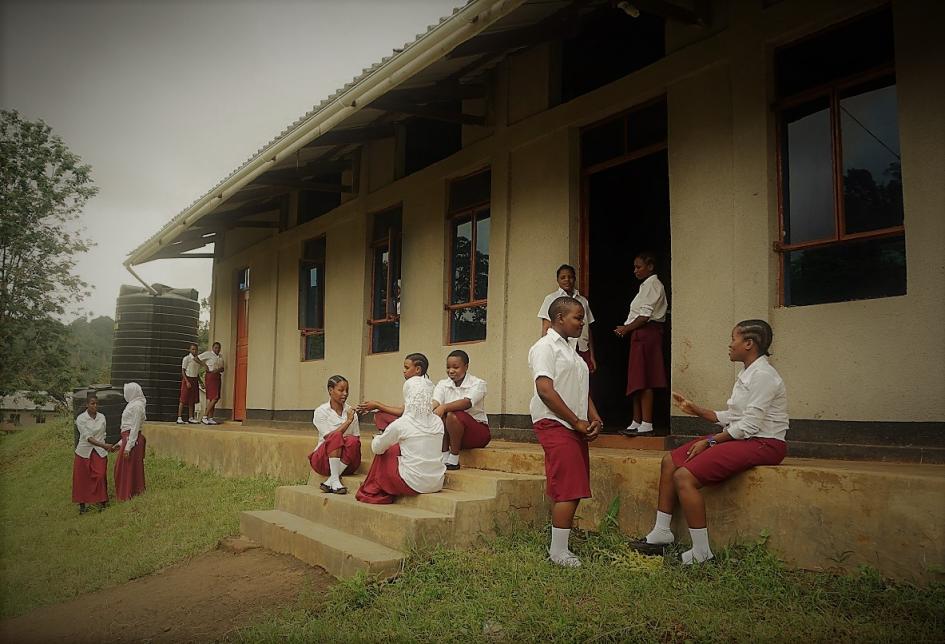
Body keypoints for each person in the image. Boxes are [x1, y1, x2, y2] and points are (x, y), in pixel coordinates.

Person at [632, 320, 788, 564]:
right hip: (745, 437)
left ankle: (702, 553)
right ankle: (662, 532)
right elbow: (733, 418)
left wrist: (711, 442)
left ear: (748, 344)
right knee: (670, 461)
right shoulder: (748, 372)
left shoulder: (764, 375)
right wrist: (695, 410)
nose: (729, 344)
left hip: (764, 443)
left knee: (684, 477)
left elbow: (750, 426)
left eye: (733, 339)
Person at [529, 296, 603, 568]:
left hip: (572, 423)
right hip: (555, 422)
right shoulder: (545, 347)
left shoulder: (572, 351)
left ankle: (560, 544)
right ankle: (558, 552)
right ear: (559, 318)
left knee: (572, 485)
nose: (582, 323)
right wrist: (576, 421)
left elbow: (580, 390)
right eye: (577, 317)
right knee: (568, 488)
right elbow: (545, 390)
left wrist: (593, 418)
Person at [356, 354, 445, 504]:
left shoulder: (403, 424)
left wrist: (378, 438)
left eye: (406, 367)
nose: (403, 371)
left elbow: (376, 449)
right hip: (437, 483)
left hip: (412, 484)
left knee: (386, 450)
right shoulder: (438, 421)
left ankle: (372, 486)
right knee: (396, 445)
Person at [614, 251, 668, 435]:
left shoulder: (653, 285)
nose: (635, 271)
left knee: (645, 379)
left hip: (648, 334)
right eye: (634, 267)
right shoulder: (645, 286)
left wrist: (626, 328)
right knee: (637, 379)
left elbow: (645, 315)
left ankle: (647, 422)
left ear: (650, 266)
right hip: (639, 335)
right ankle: (636, 421)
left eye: (639, 267)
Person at [432, 350, 490, 471]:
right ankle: (444, 454)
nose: (451, 371)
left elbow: (467, 403)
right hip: (454, 434)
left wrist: (444, 407)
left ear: (466, 367)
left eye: (456, 367)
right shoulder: (443, 384)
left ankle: (454, 458)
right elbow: (436, 401)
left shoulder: (478, 383)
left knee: (453, 414)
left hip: (476, 434)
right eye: (448, 367)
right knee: (440, 415)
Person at [538, 264, 597, 372]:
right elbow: (546, 327)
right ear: (557, 280)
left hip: (582, 348)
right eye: (563, 277)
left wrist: (592, 355)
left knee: (583, 384)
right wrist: (547, 351)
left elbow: (587, 329)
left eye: (570, 277)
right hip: (561, 348)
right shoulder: (551, 299)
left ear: (575, 279)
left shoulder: (583, 301)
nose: (567, 280)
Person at [310, 375, 362, 495]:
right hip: (323, 461)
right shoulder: (321, 411)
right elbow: (329, 438)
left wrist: (351, 419)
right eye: (341, 390)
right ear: (330, 390)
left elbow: (356, 440)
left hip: (346, 463)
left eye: (347, 390)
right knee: (336, 436)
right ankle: (334, 479)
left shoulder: (350, 412)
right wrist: (348, 421)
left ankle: (332, 479)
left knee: (353, 441)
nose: (345, 394)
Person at [356, 352, 429, 431]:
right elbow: (404, 408)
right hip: (422, 423)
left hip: (415, 426)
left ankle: (391, 439)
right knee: (381, 413)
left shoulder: (411, 384)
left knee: (379, 416)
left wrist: (377, 405)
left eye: (407, 368)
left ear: (418, 369)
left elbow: (402, 412)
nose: (404, 371)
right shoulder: (427, 383)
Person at [73, 395, 119, 514]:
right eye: (92, 404)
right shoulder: (81, 419)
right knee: (82, 478)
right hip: (84, 451)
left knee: (100, 475)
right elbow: (87, 437)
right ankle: (82, 504)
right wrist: (104, 445)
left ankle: (102, 501)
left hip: (99, 452)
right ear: (87, 405)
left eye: (97, 404)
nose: (95, 406)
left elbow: (103, 434)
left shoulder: (102, 417)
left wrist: (106, 446)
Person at [115, 382, 148, 501]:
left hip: (132, 440)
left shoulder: (137, 406)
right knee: (123, 469)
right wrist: (120, 443)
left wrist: (128, 447)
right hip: (128, 439)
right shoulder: (132, 404)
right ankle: (127, 493)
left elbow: (134, 427)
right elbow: (127, 427)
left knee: (128, 469)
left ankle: (129, 494)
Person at [177, 343, 206, 425]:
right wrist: (186, 381)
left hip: (194, 379)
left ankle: (191, 417)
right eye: (193, 349)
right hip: (188, 378)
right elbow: (183, 371)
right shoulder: (187, 359)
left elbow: (197, 373)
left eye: (196, 349)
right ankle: (179, 417)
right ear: (190, 350)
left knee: (192, 400)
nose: (194, 351)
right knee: (183, 399)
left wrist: (201, 382)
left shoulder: (197, 360)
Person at [199, 342, 225, 425]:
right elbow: (197, 358)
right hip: (211, 376)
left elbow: (222, 368)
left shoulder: (220, 357)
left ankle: (210, 417)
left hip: (217, 376)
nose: (217, 349)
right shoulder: (208, 354)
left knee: (214, 398)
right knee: (214, 397)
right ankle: (204, 416)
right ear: (213, 348)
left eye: (219, 348)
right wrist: (204, 366)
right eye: (216, 347)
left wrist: (219, 370)